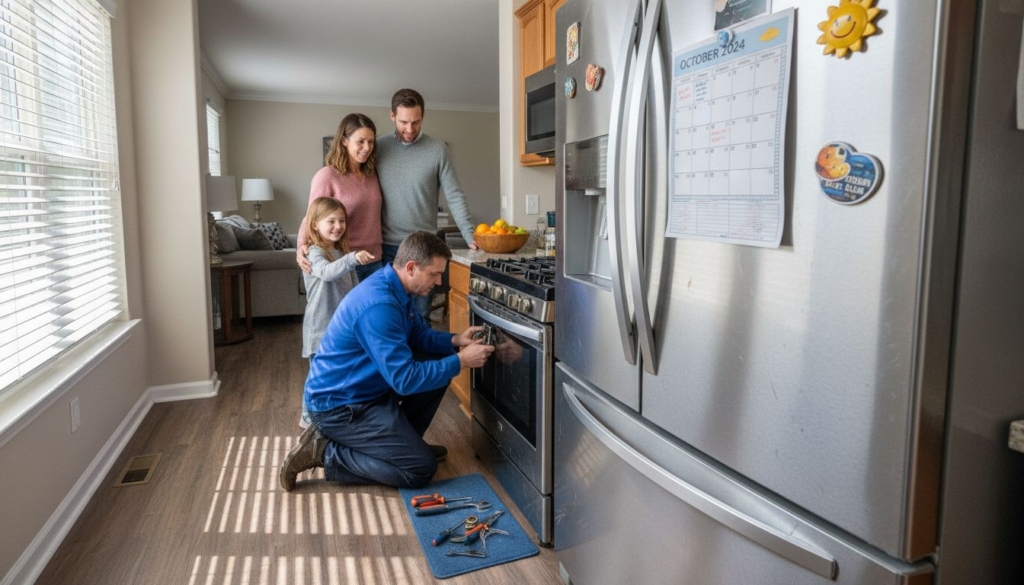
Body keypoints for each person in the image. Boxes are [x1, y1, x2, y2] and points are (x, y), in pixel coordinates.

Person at [279, 231, 494, 490]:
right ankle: (325, 453)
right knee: (420, 469)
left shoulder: (394, 286)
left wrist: (456, 341)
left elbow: (418, 335)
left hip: (367, 391)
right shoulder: (379, 304)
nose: (439, 282)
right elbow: (404, 380)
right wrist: (461, 361)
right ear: (412, 268)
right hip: (339, 408)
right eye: (435, 274)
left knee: (441, 357)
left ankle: (403, 447)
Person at [376, 88, 478, 320]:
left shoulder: (437, 150)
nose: (410, 129)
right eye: (403, 122)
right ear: (392, 116)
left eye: (416, 122)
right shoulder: (378, 148)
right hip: (386, 247)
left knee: (420, 317)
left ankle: (423, 357)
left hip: (423, 248)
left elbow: (454, 194)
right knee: (388, 317)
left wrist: (469, 234)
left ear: (423, 116)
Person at [298, 197, 375, 428]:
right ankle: (307, 420)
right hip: (320, 326)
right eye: (330, 221)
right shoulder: (313, 253)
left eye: (341, 220)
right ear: (315, 225)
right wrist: (353, 258)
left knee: (336, 373)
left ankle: (333, 412)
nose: (338, 226)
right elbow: (326, 272)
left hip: (338, 328)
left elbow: (352, 289)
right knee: (318, 377)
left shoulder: (342, 253)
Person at [297, 113, 383, 281]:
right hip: (345, 261)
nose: (366, 147)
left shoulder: (373, 175)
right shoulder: (327, 176)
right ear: (344, 141)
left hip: (375, 259)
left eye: (370, 141)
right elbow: (311, 216)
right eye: (360, 141)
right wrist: (301, 245)